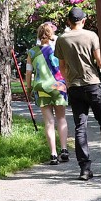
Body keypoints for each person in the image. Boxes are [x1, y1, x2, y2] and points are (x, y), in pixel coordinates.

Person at [54, 7, 101, 181]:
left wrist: (68, 81)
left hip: (74, 87)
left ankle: (84, 168)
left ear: (68, 22)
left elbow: (61, 65)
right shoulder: (91, 36)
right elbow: (100, 61)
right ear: (83, 20)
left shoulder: (62, 39)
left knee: (80, 126)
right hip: (93, 84)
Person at [27, 22, 69, 165]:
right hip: (59, 87)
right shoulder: (58, 50)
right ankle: (64, 150)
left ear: (39, 35)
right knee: (61, 118)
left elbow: (28, 72)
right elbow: (65, 67)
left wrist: (28, 88)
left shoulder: (32, 52)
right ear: (51, 34)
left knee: (49, 122)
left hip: (41, 88)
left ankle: (53, 153)